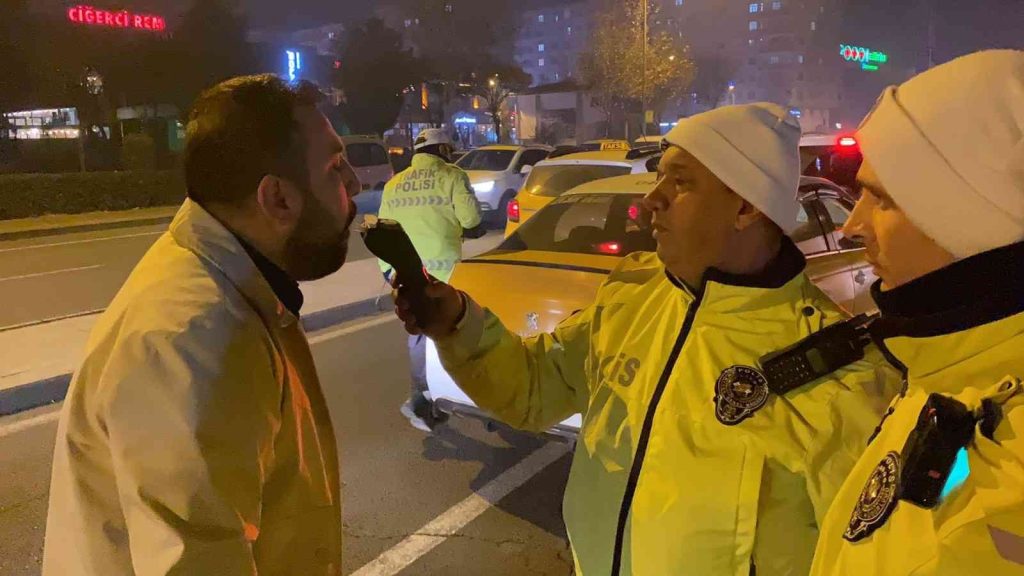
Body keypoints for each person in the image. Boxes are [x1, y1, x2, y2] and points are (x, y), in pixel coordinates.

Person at [393, 103, 900, 575]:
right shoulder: (632, 298)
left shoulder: (841, 377)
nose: (651, 199)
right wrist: (457, 323)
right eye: (659, 177)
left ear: (746, 206)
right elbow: (535, 390)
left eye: (679, 183)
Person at [43, 75, 359, 575]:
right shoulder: (195, 338)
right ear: (278, 198)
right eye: (335, 167)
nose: (355, 184)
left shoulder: (230, 292)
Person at [810, 49, 1024, 576]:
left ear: (971, 219)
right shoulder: (947, 367)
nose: (851, 226)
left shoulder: (1010, 452)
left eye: (881, 199)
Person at [378, 127, 482, 432]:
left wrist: (390, 271)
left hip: (403, 270)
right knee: (454, 329)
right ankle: (442, 395)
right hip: (444, 272)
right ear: (443, 151)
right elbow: (472, 219)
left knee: (418, 332)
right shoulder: (452, 176)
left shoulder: (394, 183)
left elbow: (383, 229)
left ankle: (421, 396)